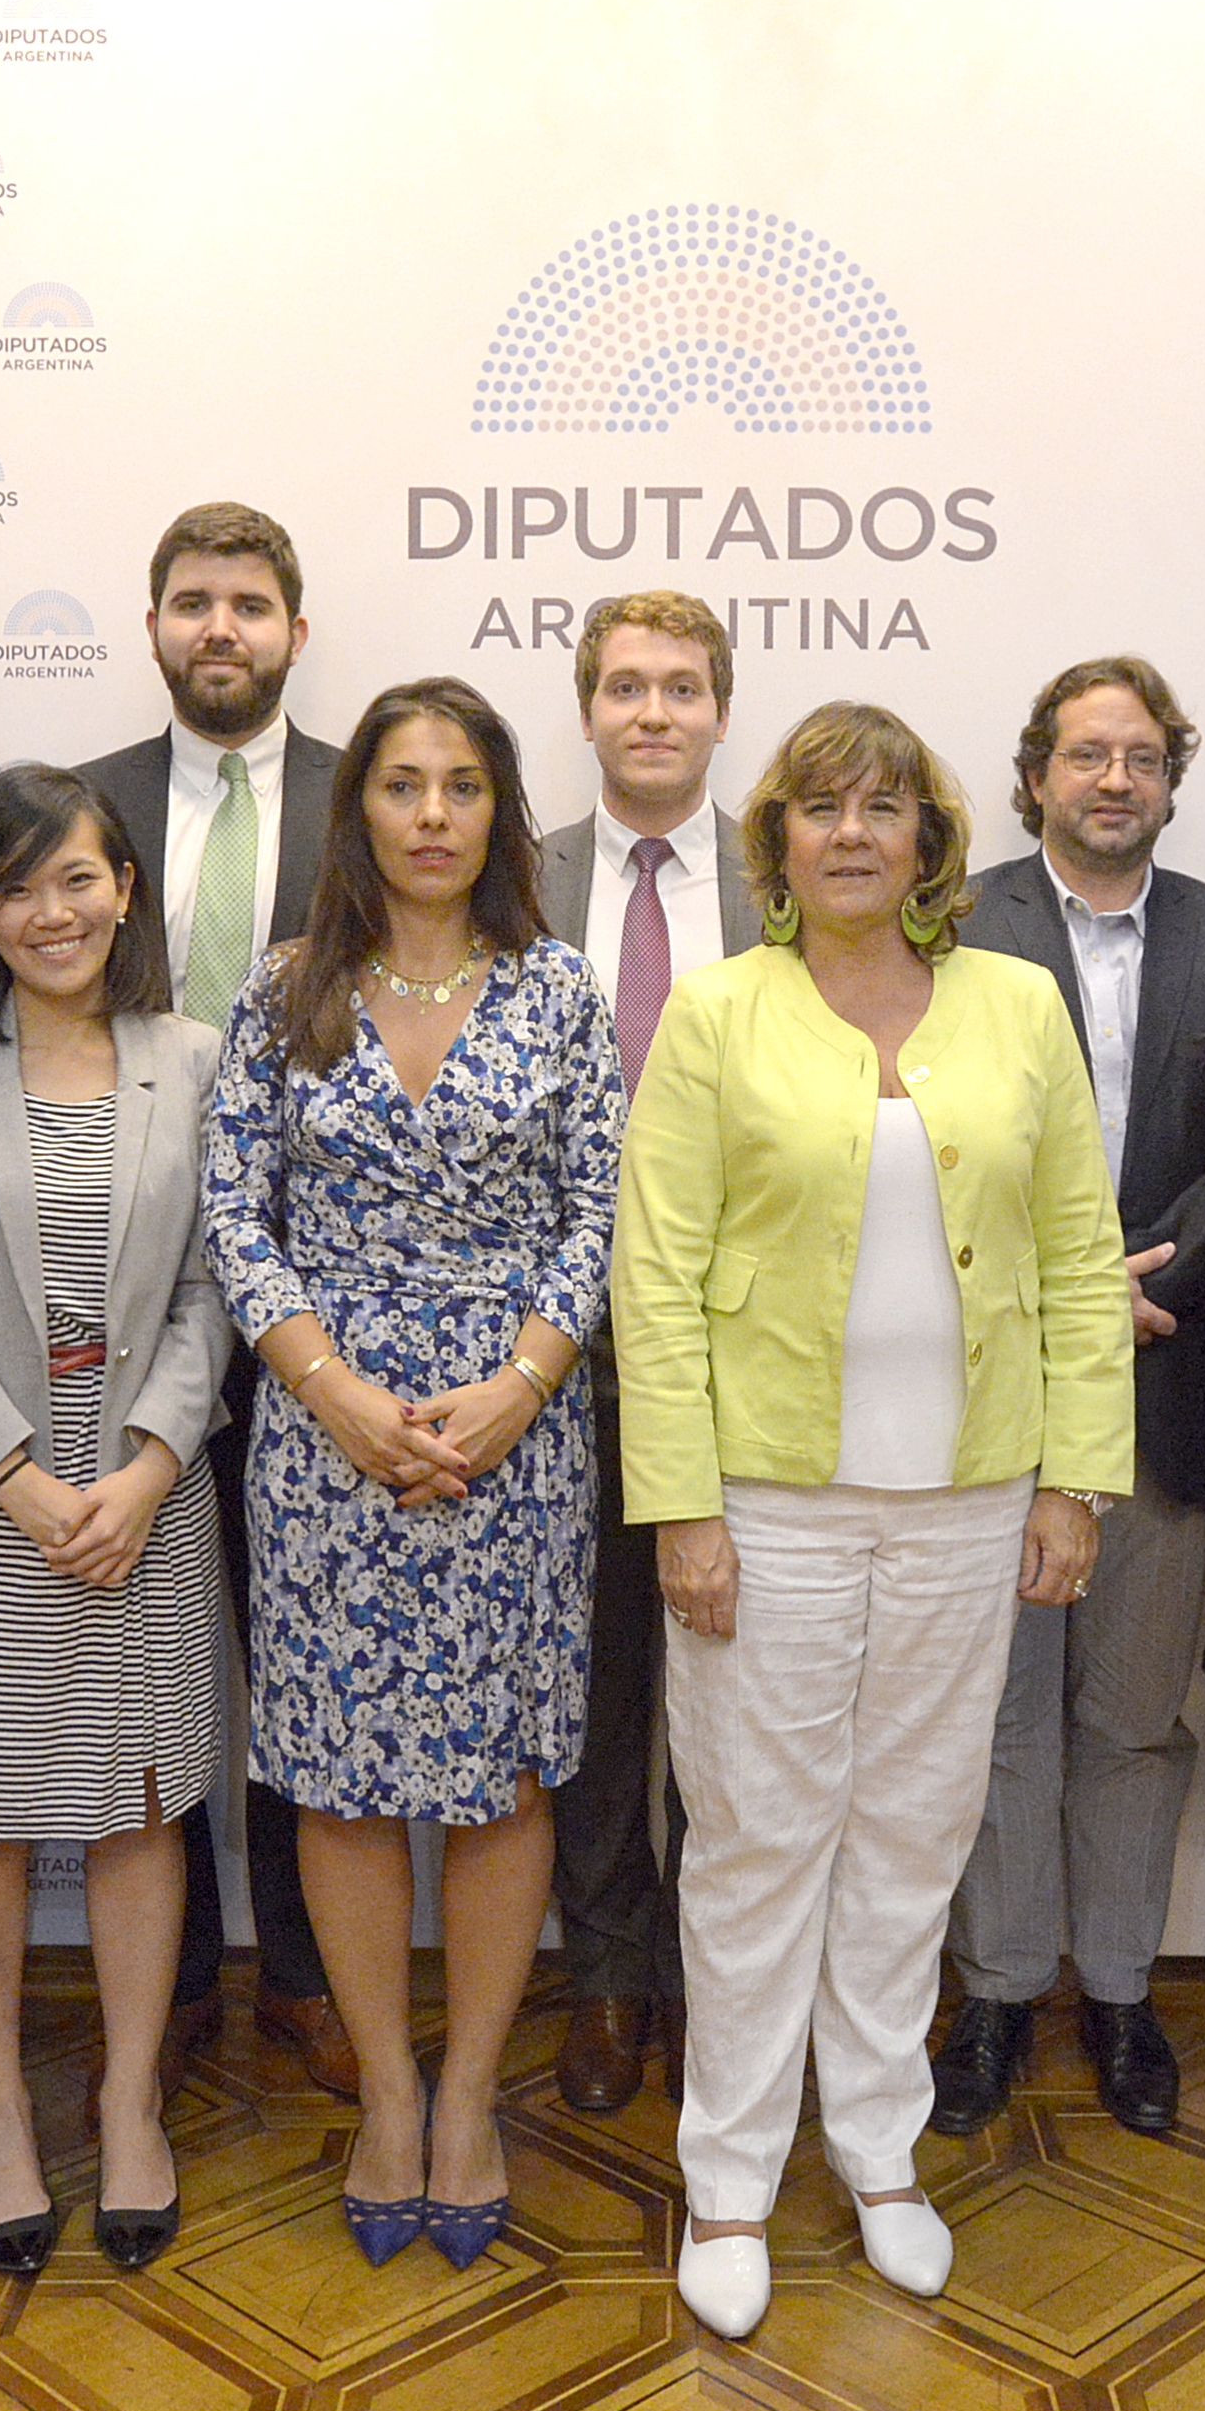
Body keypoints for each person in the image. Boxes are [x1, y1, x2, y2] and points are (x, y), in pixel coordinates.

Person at [617, 700, 1130, 2340]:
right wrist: (681, 1508)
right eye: (821, 807)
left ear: (928, 839)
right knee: (761, 1841)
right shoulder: (715, 1014)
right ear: (776, 841)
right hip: (763, 1502)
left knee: (913, 1836)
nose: (852, 832)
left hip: (972, 1498)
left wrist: (1071, 1477)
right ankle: (730, 2181)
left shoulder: (1017, 1002)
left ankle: (882, 2156)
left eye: (884, 806)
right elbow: (658, 1276)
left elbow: (1073, 1254)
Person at [204, 675, 619, 2269]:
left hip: (518, 1433)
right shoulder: (283, 991)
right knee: (346, 1775)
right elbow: (237, 1215)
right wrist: (335, 1391)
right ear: (357, 808)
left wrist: (521, 1382)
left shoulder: (560, 990)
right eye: (401, 782)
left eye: (461, 783)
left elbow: (599, 1210)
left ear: (497, 809)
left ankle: (468, 2093)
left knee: (507, 1770)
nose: (432, 812)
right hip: (325, 1443)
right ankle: (384, 2087)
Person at [0, 764, 235, 2277]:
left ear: (126, 888)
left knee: (143, 1804)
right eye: (14, 885)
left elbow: (223, 1285)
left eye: (77, 876)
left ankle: (132, 2096)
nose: (50, 910)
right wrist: (19, 1474)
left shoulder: (197, 1057)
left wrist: (145, 1464)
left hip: (148, 1493)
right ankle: (3, 2112)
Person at [937, 655, 1205, 2141]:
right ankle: (1002, 1987)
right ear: (1033, 776)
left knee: (1133, 1715)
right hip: (985, 1380)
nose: (1113, 780)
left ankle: (1124, 1990)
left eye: (1142, 756)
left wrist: (1161, 1277)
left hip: (1172, 1367)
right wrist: (1060, 1290)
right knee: (998, 1715)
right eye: (1085, 755)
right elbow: (923, 1137)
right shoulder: (949, 926)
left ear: (1171, 778)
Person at [80, 501, 350, 2098]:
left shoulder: (365, 804)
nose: (220, 628)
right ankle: (168, 1980)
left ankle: (307, 1975)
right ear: (156, 625)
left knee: (300, 1649)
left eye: (250, 601)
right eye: (192, 602)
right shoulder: (85, 805)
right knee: (158, 1646)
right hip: (118, 1285)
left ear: (296, 631)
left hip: (326, 1300)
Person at [532, 585, 753, 2119]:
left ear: (720, 709)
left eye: (681, 685)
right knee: (601, 1682)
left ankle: (731, 1981)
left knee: (750, 1682)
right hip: (559, 1346)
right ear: (587, 706)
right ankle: (610, 1970)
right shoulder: (513, 877)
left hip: (754, 1345)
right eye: (624, 685)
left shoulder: (790, 872)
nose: (653, 710)